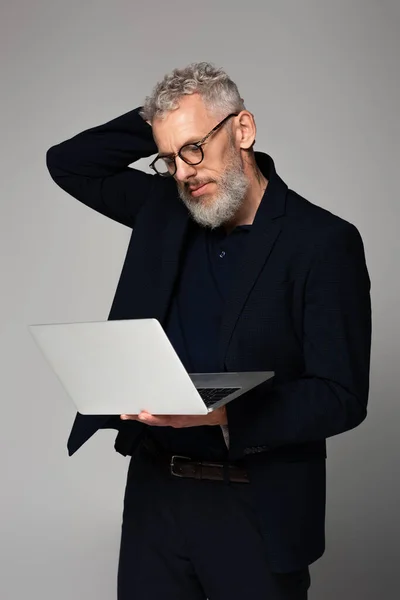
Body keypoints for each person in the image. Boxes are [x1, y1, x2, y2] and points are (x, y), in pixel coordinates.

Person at [46, 62, 371, 600]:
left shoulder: (322, 241)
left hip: (255, 505)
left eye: (194, 148)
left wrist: (225, 412)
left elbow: (341, 397)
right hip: (156, 495)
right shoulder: (166, 207)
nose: (183, 172)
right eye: (168, 158)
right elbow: (69, 164)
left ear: (241, 130)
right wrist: (166, 118)